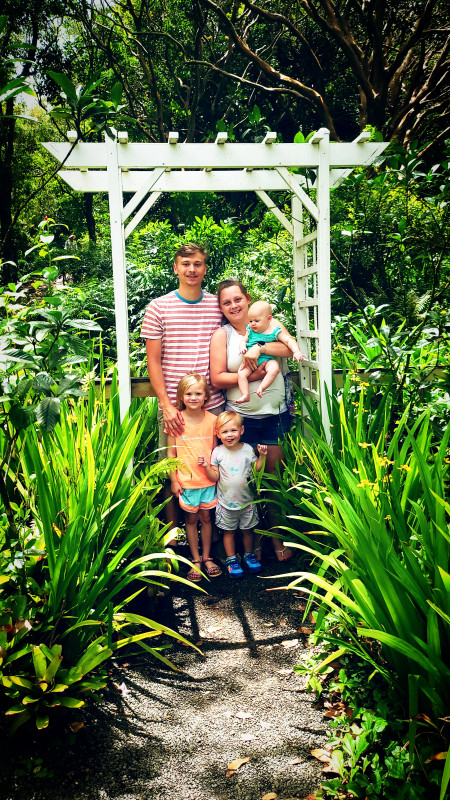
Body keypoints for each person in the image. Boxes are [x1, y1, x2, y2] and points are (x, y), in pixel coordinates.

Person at [210, 279, 296, 562]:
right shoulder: (223, 335)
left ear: (247, 299)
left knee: (273, 480)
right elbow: (218, 378)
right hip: (241, 420)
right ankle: (252, 544)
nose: (234, 306)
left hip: (275, 415)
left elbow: (287, 350)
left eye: (238, 299)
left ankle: (277, 537)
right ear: (222, 308)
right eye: (226, 302)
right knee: (245, 482)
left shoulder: (269, 323)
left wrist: (259, 349)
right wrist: (255, 376)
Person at [141, 243, 224, 527]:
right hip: (174, 408)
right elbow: (153, 361)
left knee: (211, 469)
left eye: (198, 264)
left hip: (212, 407)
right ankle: (174, 536)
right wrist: (166, 406)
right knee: (172, 470)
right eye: (186, 264)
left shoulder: (217, 305)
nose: (192, 269)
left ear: (204, 268)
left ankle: (213, 540)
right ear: (176, 267)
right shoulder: (158, 307)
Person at [167, 373, 222, 582]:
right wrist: (174, 480)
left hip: (208, 480)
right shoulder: (175, 421)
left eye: (198, 393)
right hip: (186, 481)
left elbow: (217, 451)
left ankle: (207, 557)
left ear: (206, 396)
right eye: (188, 393)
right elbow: (171, 454)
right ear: (181, 397)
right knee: (190, 520)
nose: (193, 397)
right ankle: (195, 560)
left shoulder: (213, 420)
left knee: (207, 518)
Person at [199, 410, 266, 579]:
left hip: (247, 501)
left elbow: (255, 471)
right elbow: (215, 476)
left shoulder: (247, 450)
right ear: (218, 434)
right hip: (226, 502)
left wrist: (262, 457)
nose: (229, 435)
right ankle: (231, 559)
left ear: (242, 430)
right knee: (228, 532)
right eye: (225, 432)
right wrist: (207, 466)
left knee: (247, 531)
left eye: (233, 431)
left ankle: (248, 555)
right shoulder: (218, 452)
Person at [236, 299, 305, 404]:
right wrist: (242, 347)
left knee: (274, 368)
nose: (252, 324)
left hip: (267, 360)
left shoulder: (274, 331)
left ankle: (262, 387)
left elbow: (288, 340)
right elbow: (244, 340)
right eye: (250, 321)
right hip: (250, 362)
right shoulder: (249, 331)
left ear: (269, 319)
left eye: (257, 321)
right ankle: (245, 394)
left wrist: (296, 352)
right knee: (241, 373)